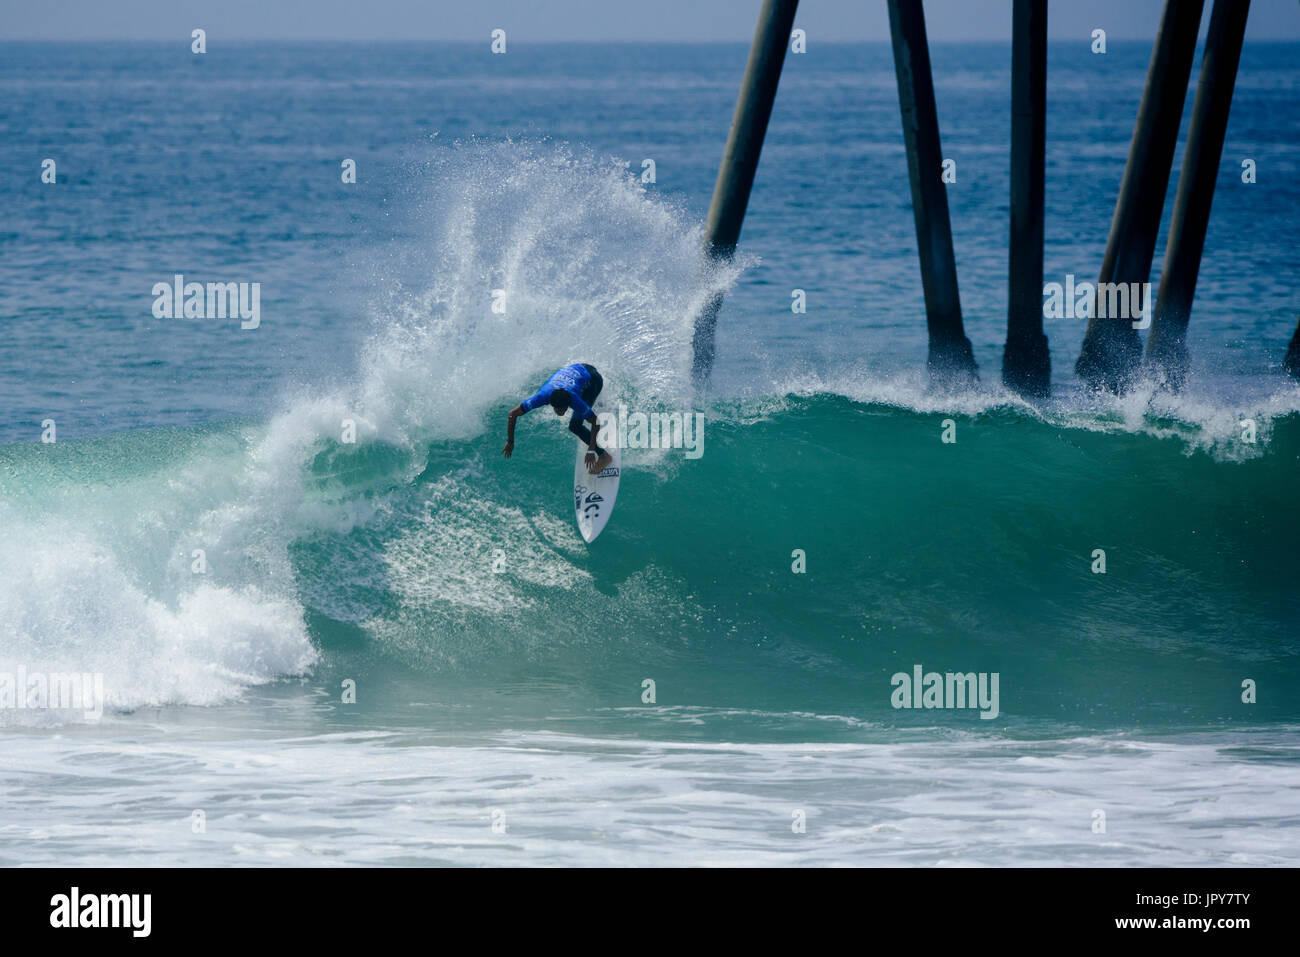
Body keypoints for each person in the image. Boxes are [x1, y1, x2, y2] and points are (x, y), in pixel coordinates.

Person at [503, 363, 613, 475]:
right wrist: (510, 441)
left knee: (575, 426)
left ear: (569, 404)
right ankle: (593, 406)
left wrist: (591, 449)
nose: (561, 413)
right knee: (583, 413)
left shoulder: (574, 400)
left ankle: (604, 456)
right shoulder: (542, 397)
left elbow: (596, 422)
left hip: (593, 380)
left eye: (563, 410)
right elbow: (513, 414)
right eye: (558, 410)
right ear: (551, 403)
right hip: (580, 369)